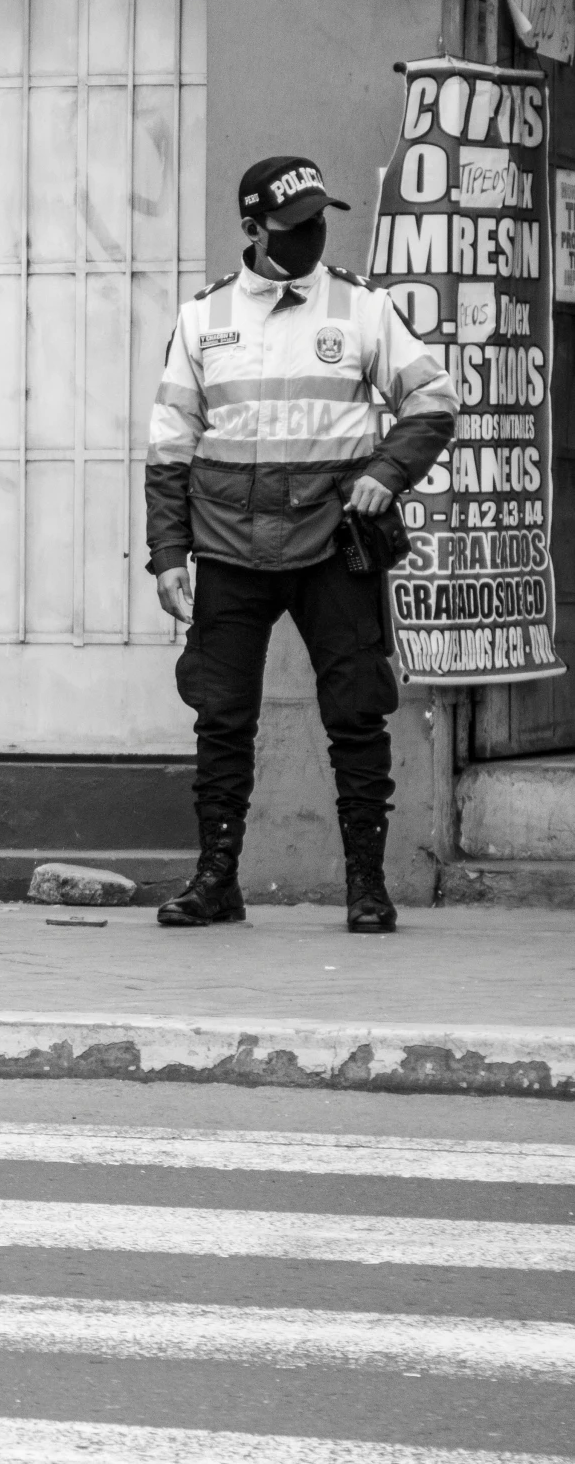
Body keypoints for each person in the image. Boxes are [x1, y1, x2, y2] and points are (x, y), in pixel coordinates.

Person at [146, 156, 456, 934]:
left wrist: (388, 471)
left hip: (333, 547)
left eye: (319, 221)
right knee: (221, 719)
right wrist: (168, 554)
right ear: (252, 230)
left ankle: (366, 886)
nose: (312, 236)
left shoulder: (360, 308)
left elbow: (433, 400)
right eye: (293, 228)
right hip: (226, 548)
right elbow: (169, 449)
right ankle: (216, 880)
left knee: (356, 713)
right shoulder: (202, 320)